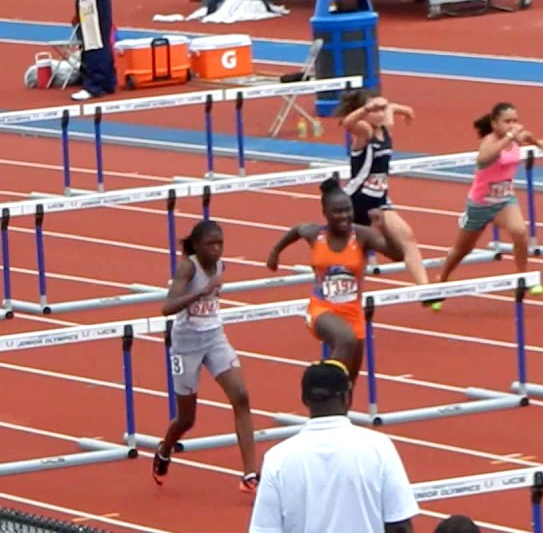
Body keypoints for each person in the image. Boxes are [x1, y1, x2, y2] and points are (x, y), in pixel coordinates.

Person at [151, 220, 259, 494]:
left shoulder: (222, 265)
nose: (217, 249)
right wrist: (200, 291)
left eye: (220, 244)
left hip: (214, 338)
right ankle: (165, 449)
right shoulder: (189, 267)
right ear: (197, 247)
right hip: (186, 346)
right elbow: (167, 307)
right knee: (187, 419)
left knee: (242, 396)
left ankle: (250, 474)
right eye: (211, 244)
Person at [248, 360, 417, 533]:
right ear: (347, 398)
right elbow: (399, 525)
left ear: (304, 399)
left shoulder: (277, 459)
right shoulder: (380, 447)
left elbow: (265, 529)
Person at [266, 177, 405, 385]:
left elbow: (399, 254)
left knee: (349, 381)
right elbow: (297, 230)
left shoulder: (361, 235)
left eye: (348, 210)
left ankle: (337, 412)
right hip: (321, 311)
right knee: (345, 340)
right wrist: (275, 252)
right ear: (325, 214)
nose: (345, 216)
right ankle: (321, 393)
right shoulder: (315, 233)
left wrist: (383, 228)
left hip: (353, 314)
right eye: (338, 212)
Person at [434, 103, 543, 294]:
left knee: (520, 232)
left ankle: (522, 277)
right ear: (495, 124)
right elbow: (483, 159)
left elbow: (525, 136)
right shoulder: (490, 141)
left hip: (504, 201)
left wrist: (538, 143)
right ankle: (441, 278)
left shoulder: (515, 138)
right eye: (507, 121)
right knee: (463, 249)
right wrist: (509, 137)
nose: (512, 125)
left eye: (515, 121)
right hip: (480, 204)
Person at [335, 90, 429, 291]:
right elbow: (348, 124)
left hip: (379, 201)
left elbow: (390, 108)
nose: (379, 114)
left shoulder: (385, 128)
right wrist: (367, 108)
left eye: (381, 111)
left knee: (407, 238)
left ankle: (426, 291)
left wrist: (402, 109)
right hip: (356, 202)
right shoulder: (364, 132)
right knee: (351, 260)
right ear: (364, 112)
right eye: (373, 111)